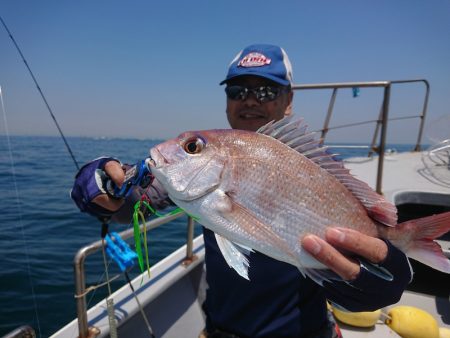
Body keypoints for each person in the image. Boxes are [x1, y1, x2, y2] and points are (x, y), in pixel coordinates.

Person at [71, 44, 412, 338]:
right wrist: (103, 184)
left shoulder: (322, 174)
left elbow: (367, 257)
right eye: (237, 91)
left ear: (288, 101)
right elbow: (133, 201)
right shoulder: (206, 163)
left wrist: (379, 280)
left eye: (266, 91)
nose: (250, 100)